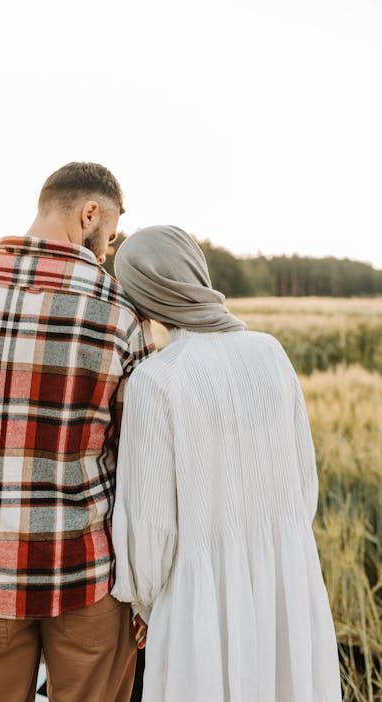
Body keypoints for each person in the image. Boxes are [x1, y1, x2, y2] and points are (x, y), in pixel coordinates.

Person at [0, 162, 154, 702]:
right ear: (90, 212)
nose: (107, 249)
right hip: (91, 577)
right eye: (108, 231)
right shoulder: (120, 313)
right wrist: (145, 585)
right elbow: (139, 462)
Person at [111, 226, 342, 702]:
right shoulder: (270, 351)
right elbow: (304, 484)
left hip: (201, 608)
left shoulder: (155, 381)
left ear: (143, 296)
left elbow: (152, 532)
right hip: (288, 587)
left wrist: (144, 602)